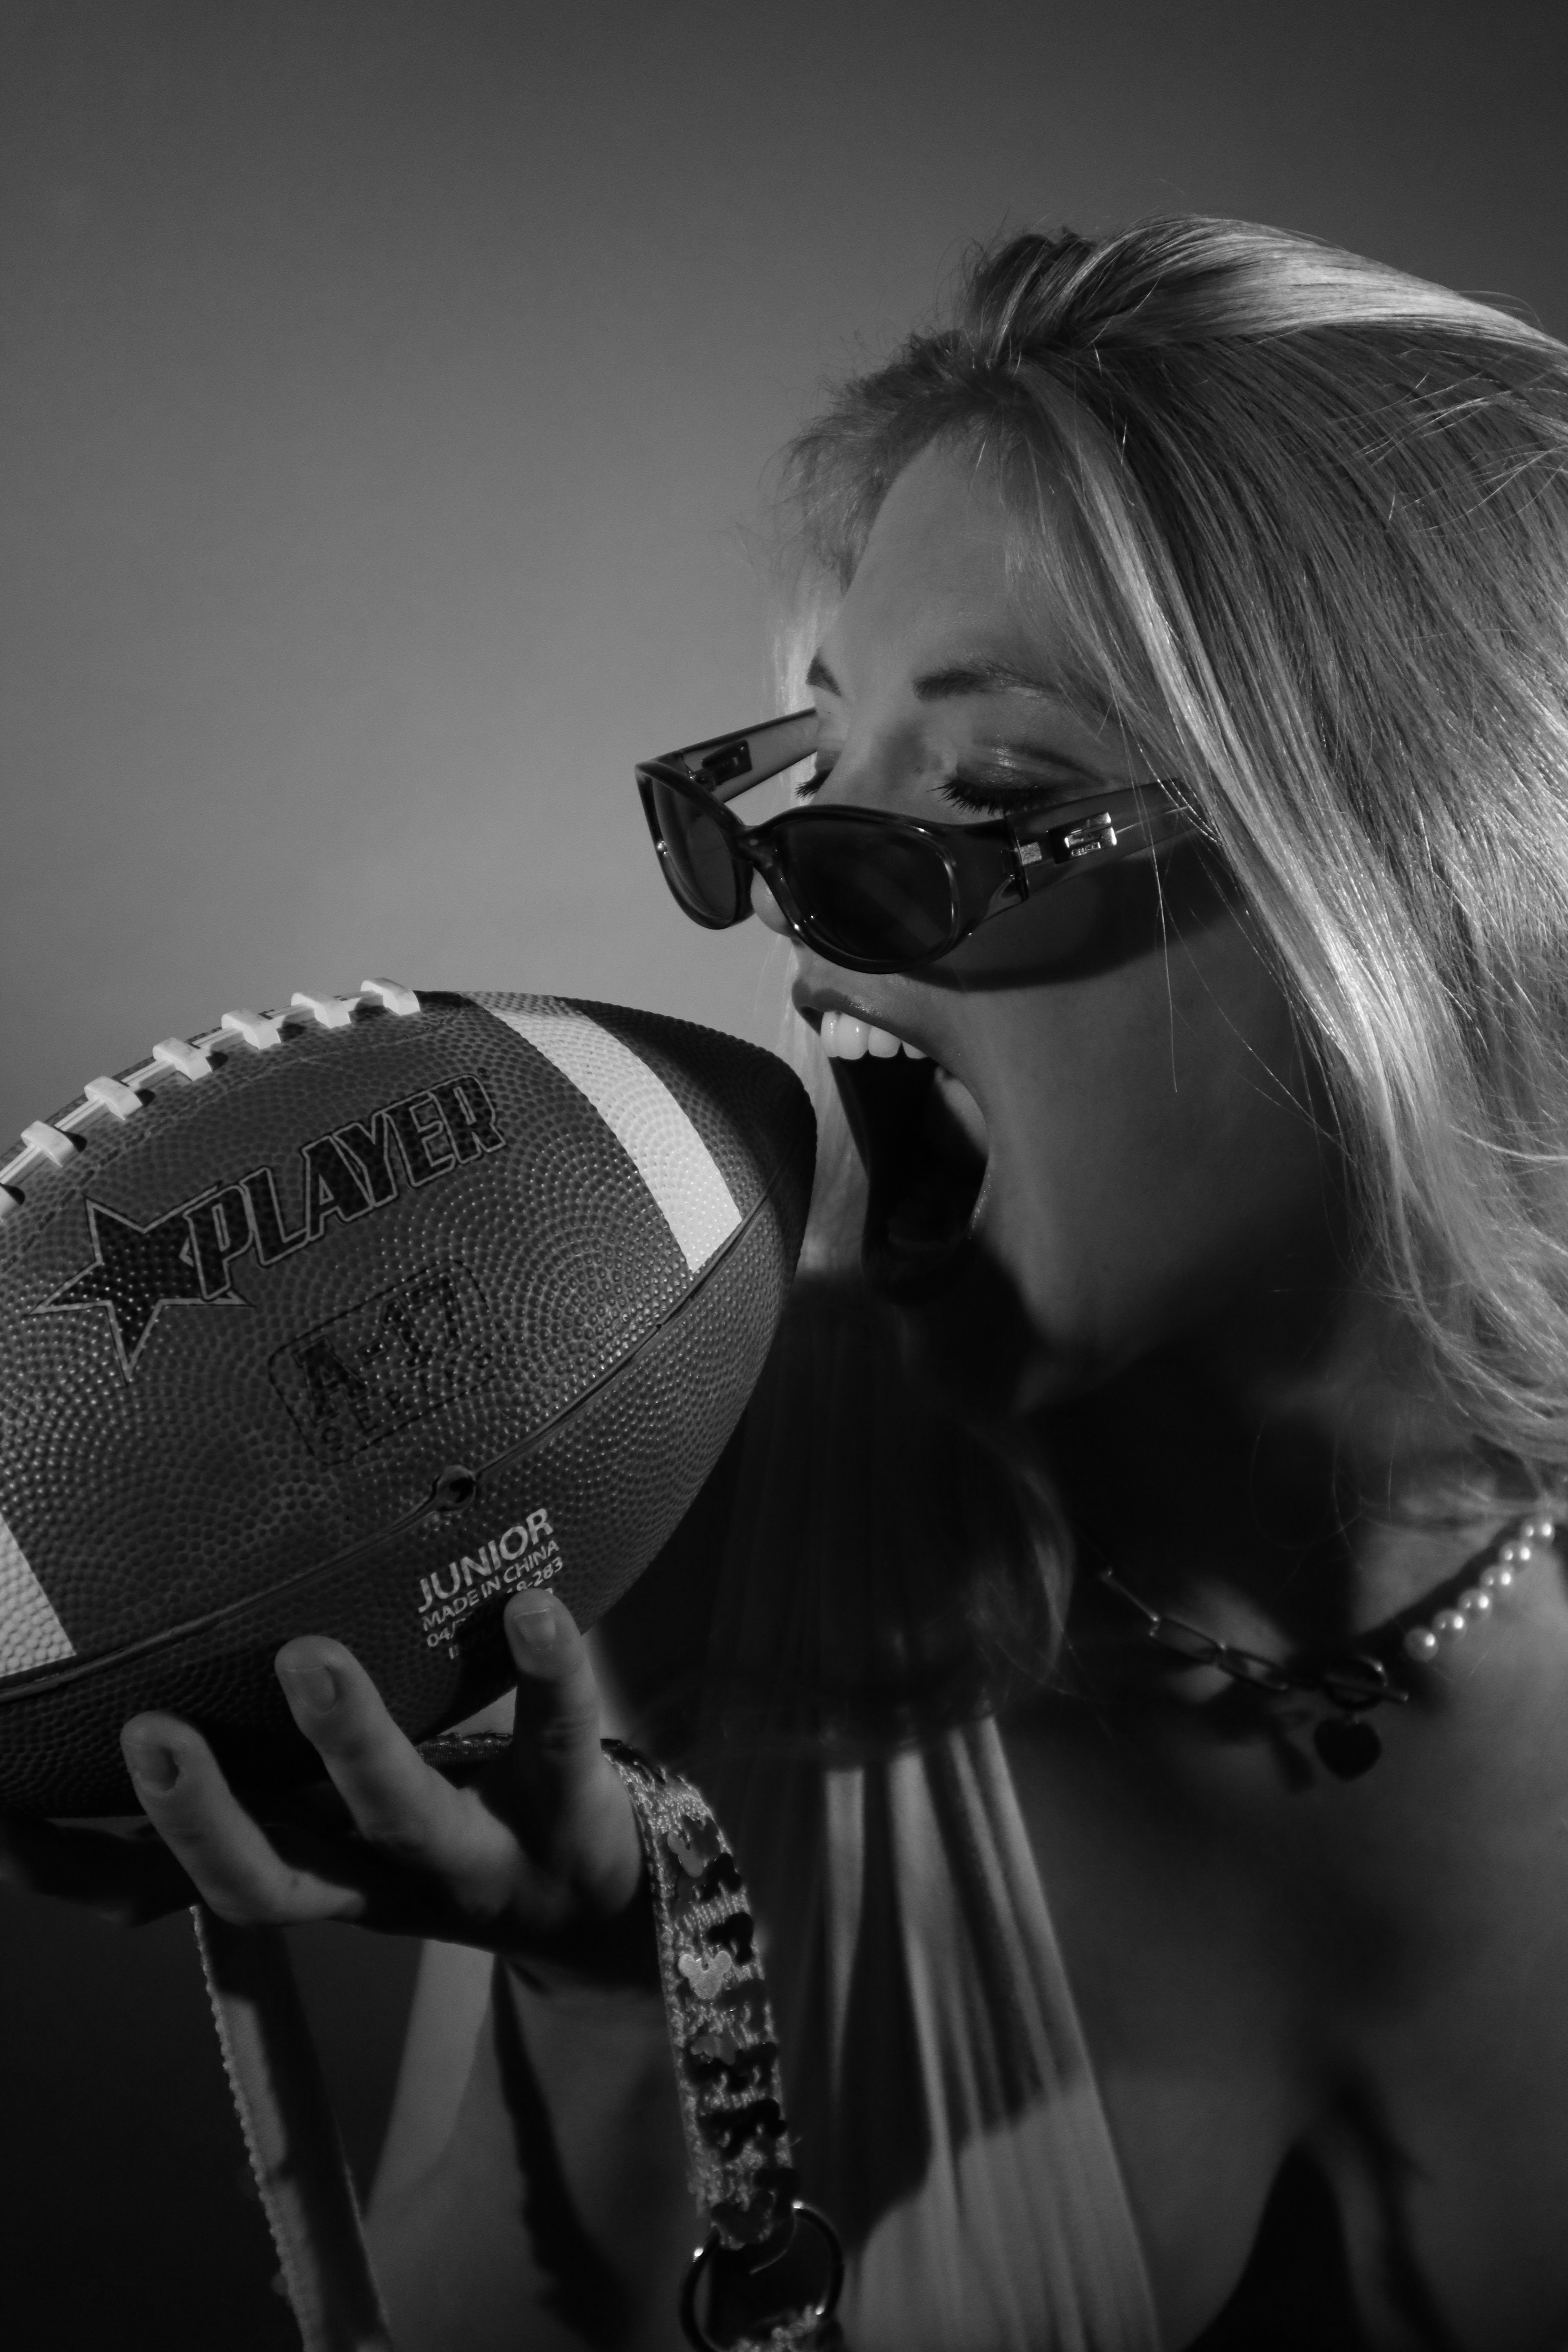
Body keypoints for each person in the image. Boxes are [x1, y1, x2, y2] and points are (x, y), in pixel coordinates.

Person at [9, 214, 1568, 2351]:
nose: (807, 916)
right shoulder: (666, 1566)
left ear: (1449, 900)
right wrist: (610, 2010)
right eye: (815, 769)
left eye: (995, 787)